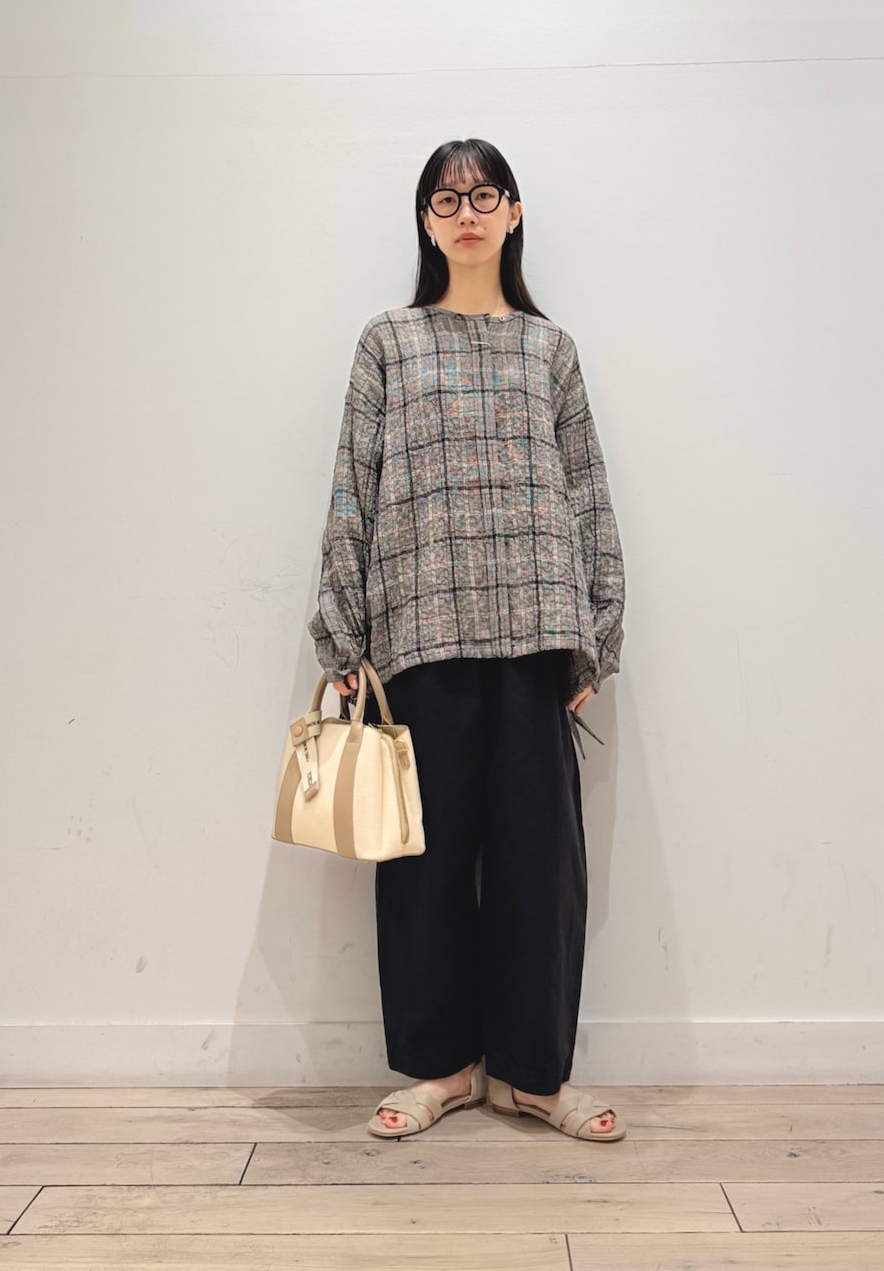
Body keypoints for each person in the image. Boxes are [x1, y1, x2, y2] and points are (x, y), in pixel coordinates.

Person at [308, 138, 627, 1142]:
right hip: (420, 631)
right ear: (425, 220)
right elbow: (353, 484)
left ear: (514, 211)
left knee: (540, 866)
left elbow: (586, 490)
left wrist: (597, 631)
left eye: (484, 194)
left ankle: (531, 1076)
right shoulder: (389, 342)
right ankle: (441, 1070)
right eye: (446, 200)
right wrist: (343, 633)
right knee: (426, 865)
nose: (467, 213)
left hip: (537, 633)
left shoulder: (550, 349)